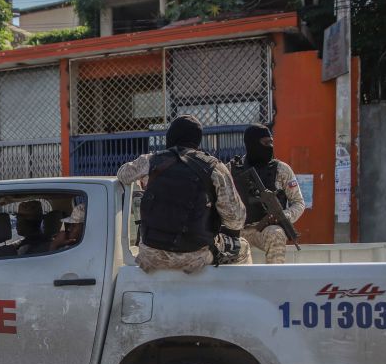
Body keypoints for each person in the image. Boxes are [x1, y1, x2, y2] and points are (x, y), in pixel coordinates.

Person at [118, 114, 249, 274]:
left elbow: (123, 174)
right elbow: (236, 220)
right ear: (197, 139)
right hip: (194, 256)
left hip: (151, 255)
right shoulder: (215, 168)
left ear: (170, 136)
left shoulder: (150, 161)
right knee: (242, 246)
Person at [228, 124, 306, 264]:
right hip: (238, 230)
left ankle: (274, 281)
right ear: (251, 143)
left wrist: (283, 216)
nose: (270, 146)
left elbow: (298, 203)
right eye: (265, 143)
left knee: (277, 234)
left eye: (271, 142)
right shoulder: (232, 169)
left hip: (264, 230)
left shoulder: (281, 169)